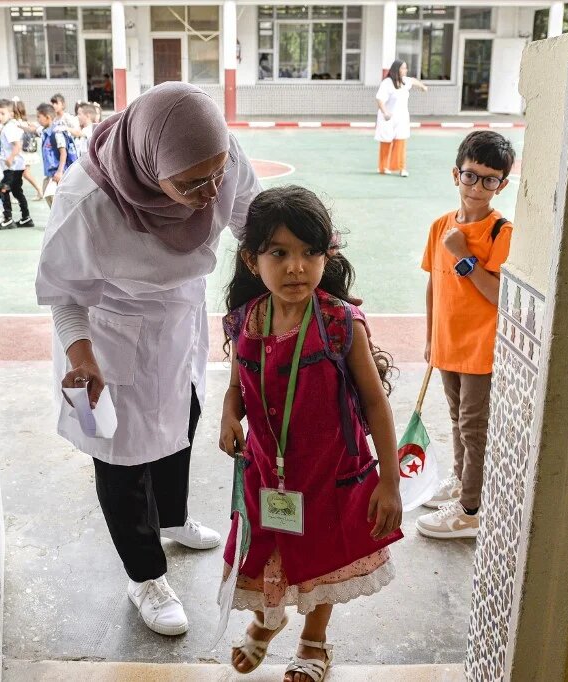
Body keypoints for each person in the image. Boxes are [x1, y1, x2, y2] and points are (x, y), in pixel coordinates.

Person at [34, 82, 262, 637]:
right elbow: (64, 294)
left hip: (180, 318)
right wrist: (82, 355)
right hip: (110, 335)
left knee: (181, 421)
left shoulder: (219, 156)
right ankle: (145, 576)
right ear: (149, 164)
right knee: (121, 457)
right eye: (191, 184)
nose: (211, 191)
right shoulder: (88, 201)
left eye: (216, 173)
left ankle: (175, 518)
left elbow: (253, 221)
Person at [218, 186, 403, 682]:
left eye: (309, 253)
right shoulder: (246, 321)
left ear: (327, 256)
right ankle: (265, 623)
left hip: (332, 473)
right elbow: (236, 384)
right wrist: (227, 415)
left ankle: (313, 641)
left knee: (324, 558)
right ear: (252, 260)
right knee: (269, 553)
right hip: (267, 473)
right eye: (279, 253)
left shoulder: (342, 324)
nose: (296, 267)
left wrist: (390, 481)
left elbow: (375, 403)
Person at [416, 130, 516, 539]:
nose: (478, 187)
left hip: (480, 349)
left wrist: (464, 255)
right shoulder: (441, 225)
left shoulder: (500, 232)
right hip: (448, 343)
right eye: (471, 176)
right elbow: (433, 286)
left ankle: (471, 511)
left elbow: (498, 295)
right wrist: (430, 336)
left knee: (474, 428)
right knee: (457, 420)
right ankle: (461, 482)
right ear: (455, 175)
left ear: (502, 185)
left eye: (490, 179)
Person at [375, 60, 428, 177]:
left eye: (406, 68)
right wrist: (385, 112)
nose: (405, 70)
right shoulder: (387, 83)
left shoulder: (405, 81)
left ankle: (401, 168)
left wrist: (422, 86)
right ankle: (383, 167)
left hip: (402, 117)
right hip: (387, 117)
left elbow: (413, 80)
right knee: (386, 142)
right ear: (396, 69)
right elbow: (379, 99)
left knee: (401, 141)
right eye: (403, 68)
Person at [0, 99, 32, 229]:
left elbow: (17, 145)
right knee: (17, 191)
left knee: (3, 188)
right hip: (16, 166)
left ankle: (8, 218)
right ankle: (26, 217)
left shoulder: (9, 128)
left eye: (2, 113)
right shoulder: (9, 126)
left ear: (10, 114)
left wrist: (10, 158)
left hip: (13, 166)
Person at [36, 102, 76, 194]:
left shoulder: (57, 132)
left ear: (48, 117)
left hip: (58, 174)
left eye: (39, 117)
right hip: (50, 174)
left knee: (59, 202)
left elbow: (63, 152)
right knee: (48, 197)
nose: (38, 119)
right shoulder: (45, 132)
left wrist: (59, 171)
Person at [10, 98, 45, 201]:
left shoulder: (17, 123)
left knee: (23, 173)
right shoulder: (24, 122)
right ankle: (17, 194)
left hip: (21, 152)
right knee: (19, 174)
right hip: (23, 151)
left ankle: (39, 190)